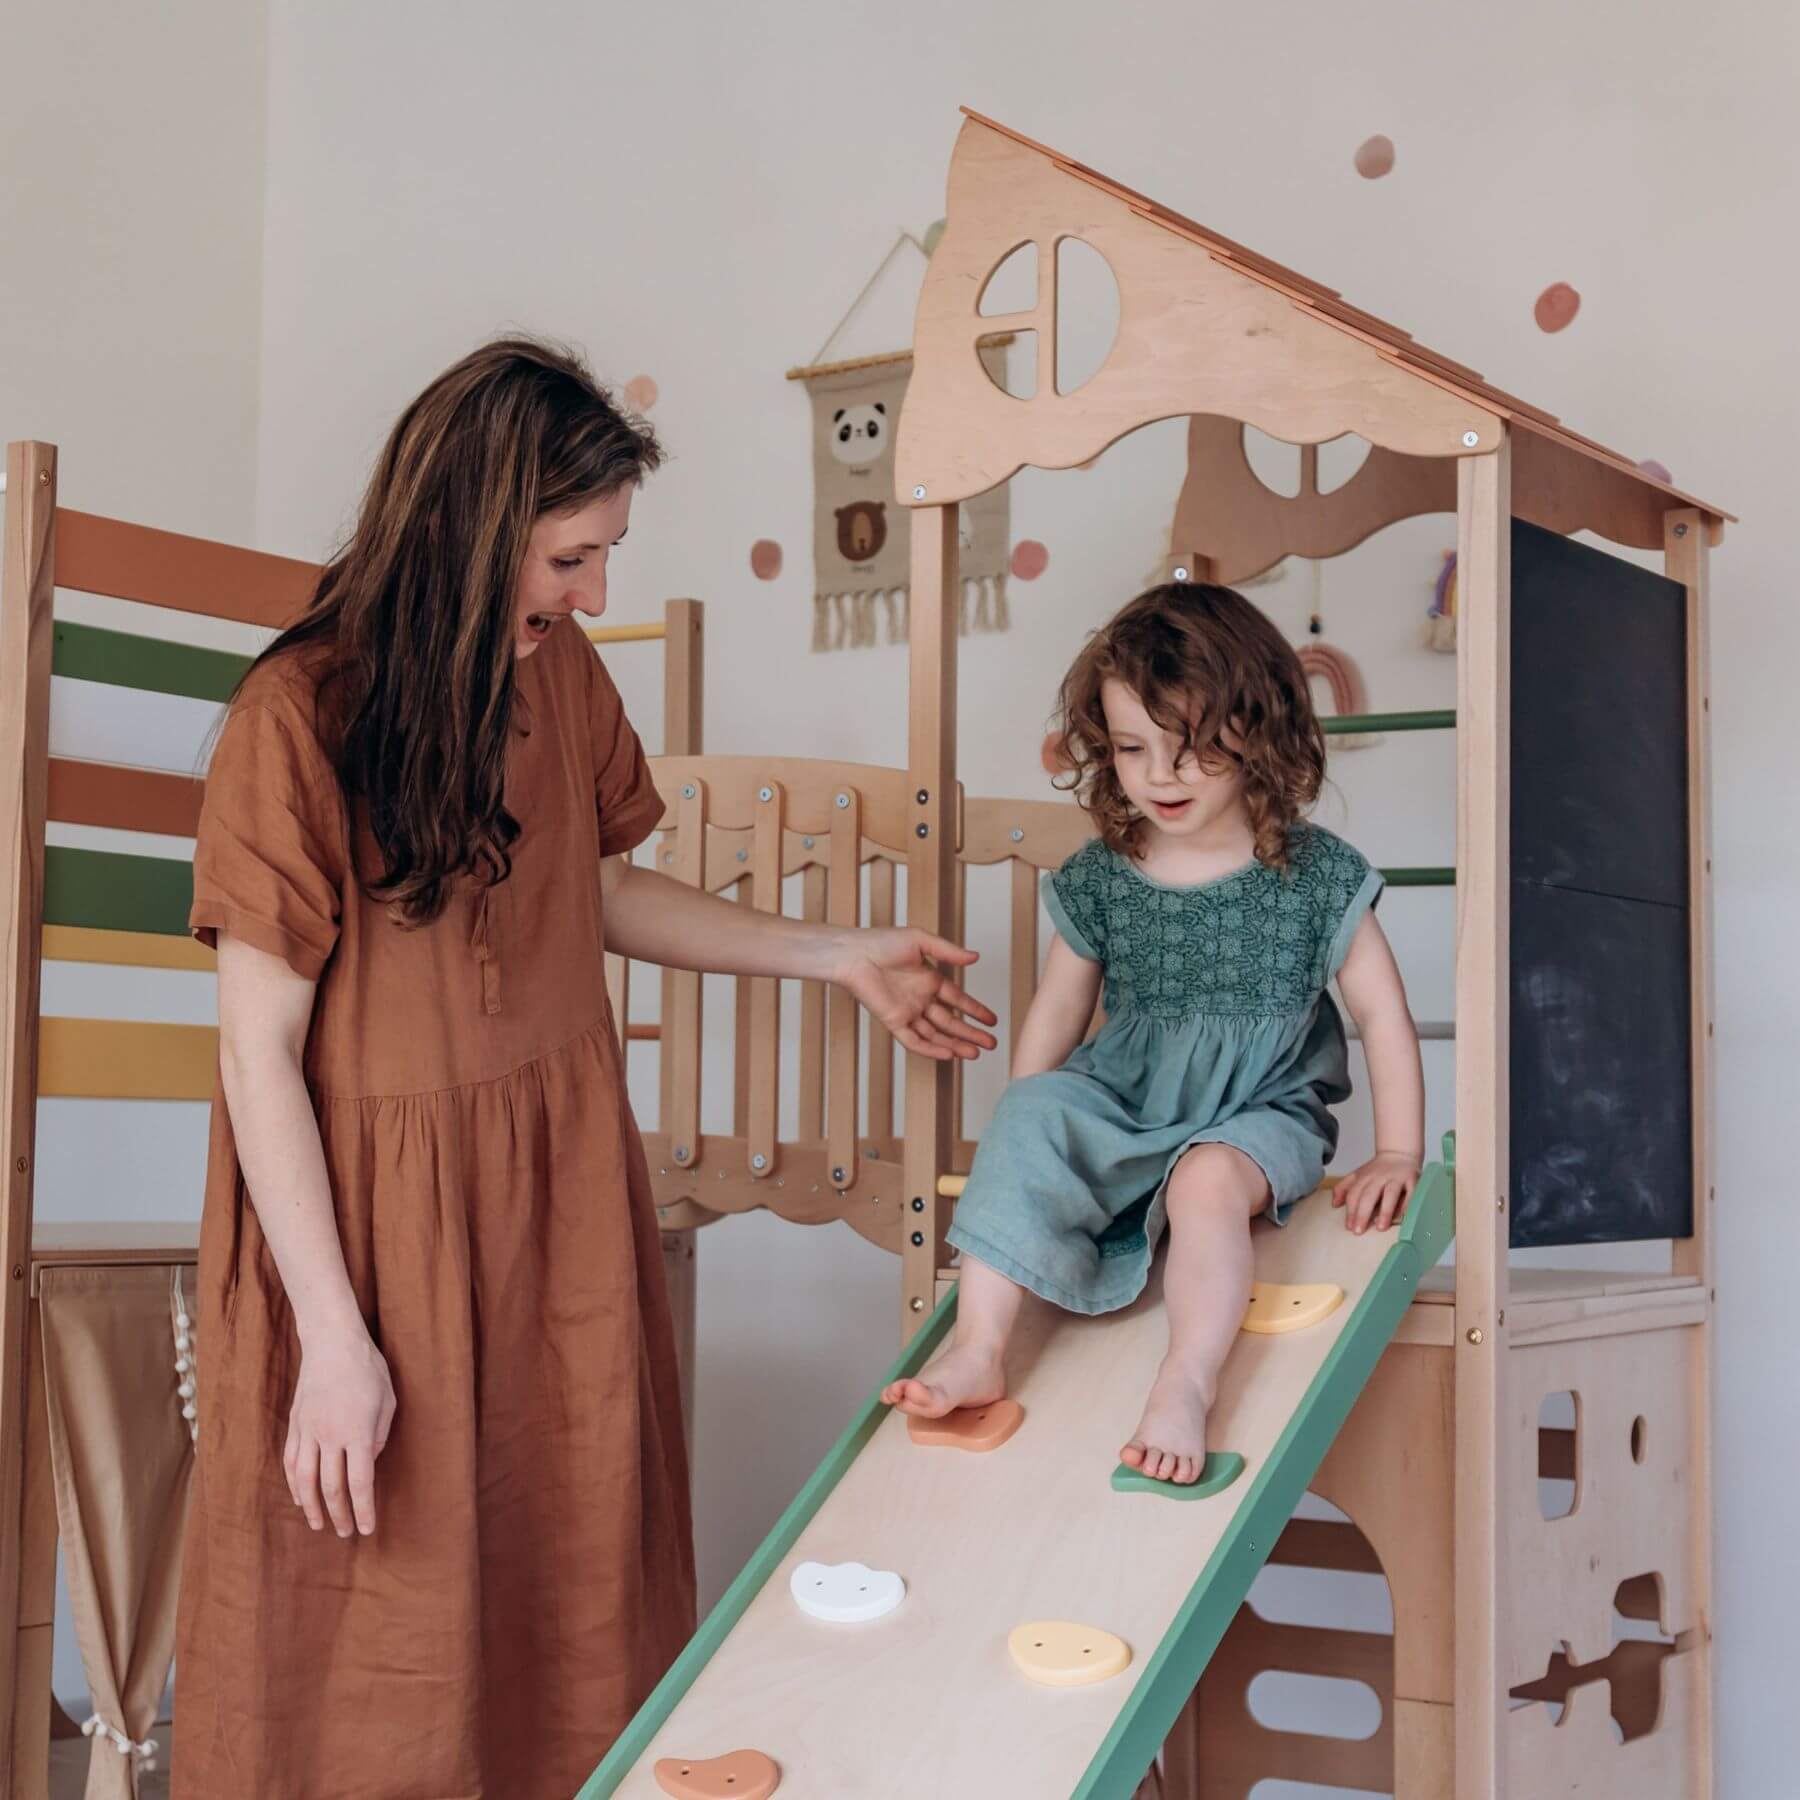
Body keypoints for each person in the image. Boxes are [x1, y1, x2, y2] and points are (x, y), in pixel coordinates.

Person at [173, 337, 997, 1798]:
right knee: (364, 1632)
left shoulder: (559, 680)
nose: (597, 594)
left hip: (554, 1204)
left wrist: (834, 953)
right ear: (469, 526)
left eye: (607, 554)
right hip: (366, 1233)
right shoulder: (295, 720)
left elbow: (600, 887)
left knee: (571, 1602)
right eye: (572, 557)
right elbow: (258, 1055)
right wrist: (335, 1340)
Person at [883, 581, 1423, 1486]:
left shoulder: (1317, 873)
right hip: (1130, 1098)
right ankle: (978, 1349)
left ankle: (1186, 1379)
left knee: (1208, 1181)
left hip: (1261, 1110)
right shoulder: (1105, 874)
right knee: (1031, 1112)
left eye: (1192, 749)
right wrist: (1030, 1126)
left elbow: (1382, 1015)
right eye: (1133, 748)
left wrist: (1399, 1151)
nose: (1160, 776)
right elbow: (1058, 1011)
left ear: (1259, 731)